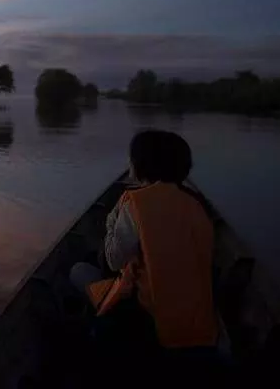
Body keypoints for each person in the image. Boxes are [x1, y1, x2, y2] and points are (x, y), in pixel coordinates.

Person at [70, 129, 219, 382]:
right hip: (200, 329)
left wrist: (111, 221)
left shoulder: (135, 203)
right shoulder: (197, 204)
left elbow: (112, 261)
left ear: (141, 165)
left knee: (78, 272)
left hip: (154, 329)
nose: (129, 165)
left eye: (131, 159)